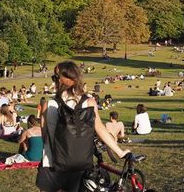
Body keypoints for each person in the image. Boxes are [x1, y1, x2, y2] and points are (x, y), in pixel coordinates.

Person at [38, 61, 130, 192]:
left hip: (51, 164)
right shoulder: (89, 102)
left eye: (55, 77)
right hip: (79, 165)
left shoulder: (49, 105)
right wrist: (120, 152)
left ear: (61, 80)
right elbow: (101, 130)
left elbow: (45, 137)